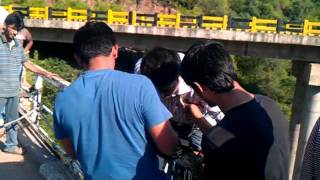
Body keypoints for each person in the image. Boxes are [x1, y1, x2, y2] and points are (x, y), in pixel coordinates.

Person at [53, 22, 178, 180]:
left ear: (78, 59)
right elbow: (168, 147)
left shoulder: (62, 101)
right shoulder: (140, 85)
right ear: (115, 50)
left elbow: (73, 153)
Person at [180, 41, 290, 180]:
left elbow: (224, 140)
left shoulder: (215, 143)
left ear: (199, 87)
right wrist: (199, 118)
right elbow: (235, 136)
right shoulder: (269, 106)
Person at [140, 47, 223, 151]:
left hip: (197, 126)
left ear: (177, 77)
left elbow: (220, 116)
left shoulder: (196, 87)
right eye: (157, 91)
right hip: (166, 123)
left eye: (167, 91)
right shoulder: (144, 72)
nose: (163, 95)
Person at [0, 13, 53, 155]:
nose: (15, 32)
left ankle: (11, 146)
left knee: (12, 121)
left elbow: (26, 62)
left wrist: (44, 73)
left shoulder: (17, 45)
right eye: (12, 28)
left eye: (17, 29)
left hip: (14, 91)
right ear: (5, 26)